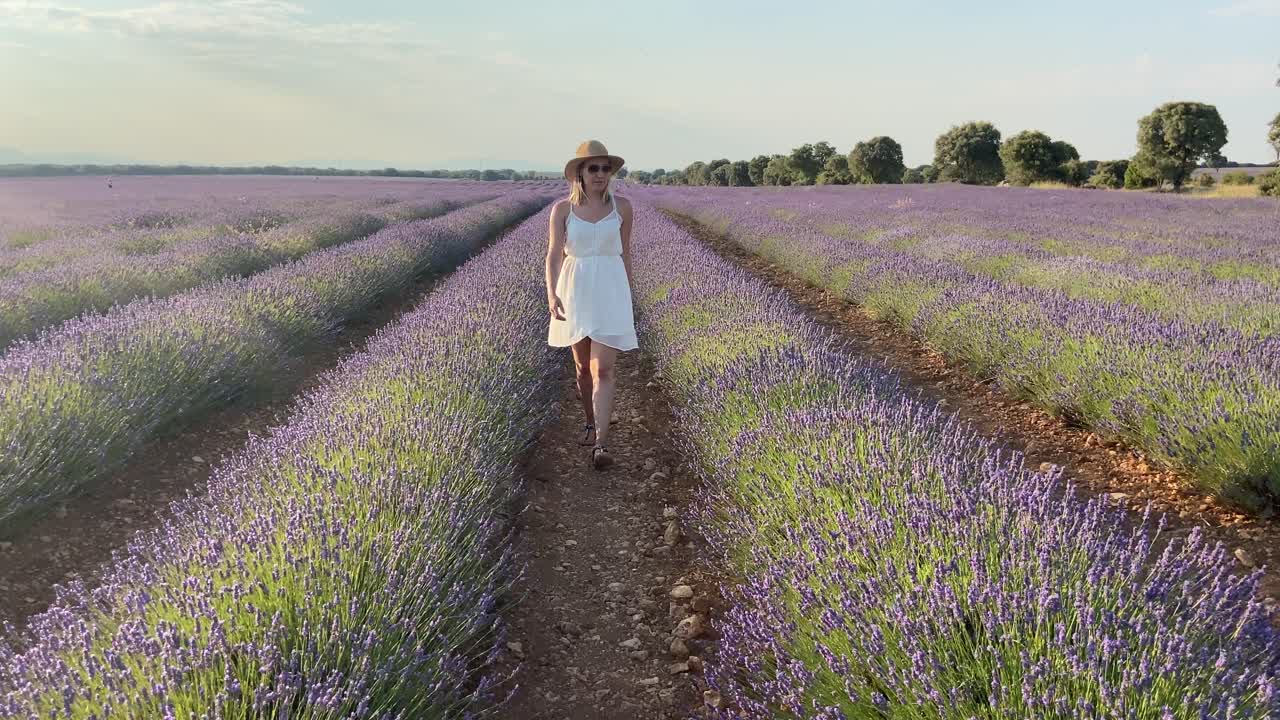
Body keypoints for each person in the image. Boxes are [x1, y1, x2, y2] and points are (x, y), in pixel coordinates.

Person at [546, 140, 637, 470]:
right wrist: (551, 295)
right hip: (575, 289)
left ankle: (601, 443)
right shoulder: (562, 210)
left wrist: (629, 293)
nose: (601, 174)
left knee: (604, 369)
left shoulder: (623, 207)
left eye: (606, 168)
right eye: (593, 168)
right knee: (583, 369)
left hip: (611, 289)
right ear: (579, 174)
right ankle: (589, 420)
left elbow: (626, 253)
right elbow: (554, 255)